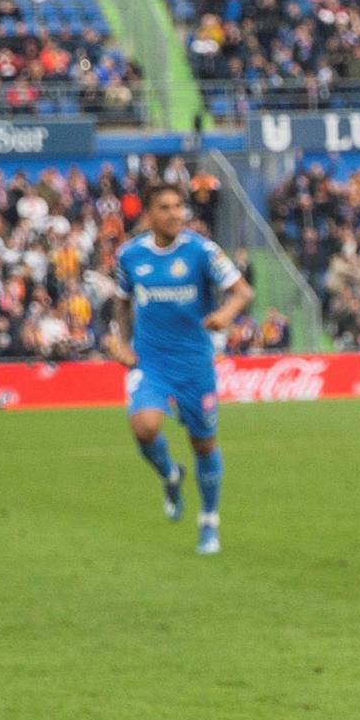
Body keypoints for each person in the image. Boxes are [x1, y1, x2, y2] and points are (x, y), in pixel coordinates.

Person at [102, 182, 251, 555]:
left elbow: (243, 292)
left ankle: (209, 521)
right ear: (150, 215)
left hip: (194, 365)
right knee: (144, 426)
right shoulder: (130, 255)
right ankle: (170, 474)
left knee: (203, 444)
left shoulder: (202, 251)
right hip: (150, 361)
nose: (174, 214)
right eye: (165, 208)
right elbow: (121, 301)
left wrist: (226, 314)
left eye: (179, 207)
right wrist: (120, 341)